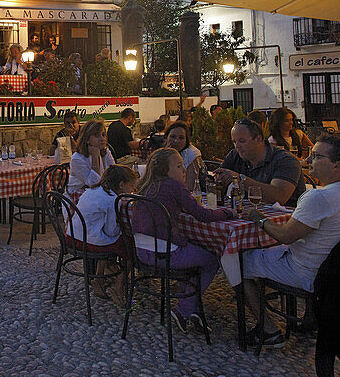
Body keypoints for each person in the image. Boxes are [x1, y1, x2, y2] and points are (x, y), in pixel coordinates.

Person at [240, 134, 340, 348]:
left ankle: (269, 330)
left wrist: (260, 219)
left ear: (338, 165)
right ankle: (311, 319)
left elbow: (285, 235)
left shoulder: (319, 198)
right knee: (279, 250)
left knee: (239, 263)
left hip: (310, 274)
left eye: (316, 156)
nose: (308, 160)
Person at [131, 148, 235, 332]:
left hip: (140, 252)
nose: (184, 170)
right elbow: (202, 214)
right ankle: (184, 309)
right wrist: (228, 212)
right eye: (179, 166)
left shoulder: (145, 186)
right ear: (165, 170)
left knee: (195, 251)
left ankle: (192, 307)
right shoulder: (174, 186)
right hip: (164, 254)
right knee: (211, 259)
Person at [69, 164, 138, 308]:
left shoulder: (92, 190)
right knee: (131, 247)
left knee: (109, 239)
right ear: (121, 185)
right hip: (88, 240)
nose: (133, 190)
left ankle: (99, 277)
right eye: (131, 186)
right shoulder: (112, 200)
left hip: (73, 235)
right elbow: (111, 231)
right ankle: (119, 285)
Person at [213, 119, 305, 208]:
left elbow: (279, 198)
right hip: (250, 214)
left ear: (258, 139)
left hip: (285, 218)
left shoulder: (285, 160)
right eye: (234, 142)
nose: (237, 146)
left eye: (242, 141)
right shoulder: (236, 155)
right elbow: (217, 181)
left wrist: (240, 179)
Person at [67, 119, 115, 198]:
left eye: (103, 135)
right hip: (79, 198)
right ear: (87, 139)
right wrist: (95, 158)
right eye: (97, 136)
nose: (102, 139)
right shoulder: (77, 158)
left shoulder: (105, 151)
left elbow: (114, 173)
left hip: (101, 193)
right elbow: (94, 184)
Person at [163, 121, 203, 191]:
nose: (176, 141)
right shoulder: (163, 152)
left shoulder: (192, 154)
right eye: (172, 136)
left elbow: (190, 186)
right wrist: (165, 156)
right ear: (167, 137)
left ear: (186, 140)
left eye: (181, 138)